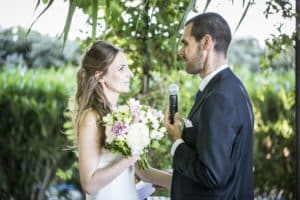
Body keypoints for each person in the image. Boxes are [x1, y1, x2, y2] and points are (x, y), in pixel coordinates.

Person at [164, 12, 254, 199]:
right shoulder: (232, 87)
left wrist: (177, 142)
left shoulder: (218, 97)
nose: (181, 52)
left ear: (205, 42)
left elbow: (211, 174)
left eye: (185, 43)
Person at [73, 40, 172, 200]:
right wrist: (130, 157)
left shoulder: (120, 115)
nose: (130, 74)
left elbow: (142, 171)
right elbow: (89, 185)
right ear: (100, 76)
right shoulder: (91, 117)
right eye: (121, 69)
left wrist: (183, 182)